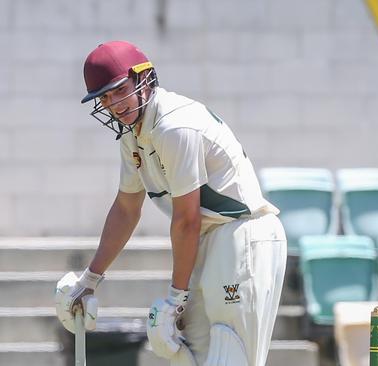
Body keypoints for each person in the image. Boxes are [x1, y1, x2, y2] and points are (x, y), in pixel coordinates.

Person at [54, 40, 287, 366]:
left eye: (119, 90)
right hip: (208, 239)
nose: (114, 105)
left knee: (230, 355)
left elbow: (186, 219)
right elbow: (125, 209)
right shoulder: (132, 135)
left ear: (143, 78)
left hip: (242, 235)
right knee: (182, 351)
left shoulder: (174, 126)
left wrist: (177, 297)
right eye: (104, 98)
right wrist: (89, 280)